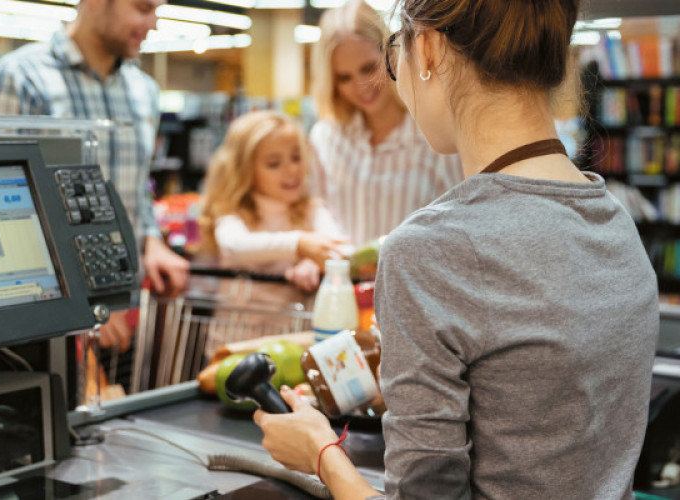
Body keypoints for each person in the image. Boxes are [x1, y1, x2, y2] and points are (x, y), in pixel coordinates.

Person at [254, 1, 659, 499]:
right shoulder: (616, 222)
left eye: (390, 55)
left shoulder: (428, 251)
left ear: (425, 48)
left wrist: (320, 452)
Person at [0, 0, 189, 351]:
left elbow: (136, 188)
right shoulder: (21, 78)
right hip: (44, 322)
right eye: (142, 7)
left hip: (124, 312)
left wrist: (152, 240)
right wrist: (84, 306)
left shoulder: (143, 90)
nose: (153, 24)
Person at [308, 0, 462, 247]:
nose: (361, 86)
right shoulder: (325, 137)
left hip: (413, 282)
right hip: (342, 282)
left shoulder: (435, 135)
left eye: (368, 68)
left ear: (392, 53)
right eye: (344, 78)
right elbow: (314, 205)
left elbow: (460, 220)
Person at [199, 110, 345, 356]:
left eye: (297, 157)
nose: (291, 171)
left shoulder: (311, 210)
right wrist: (300, 244)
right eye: (274, 164)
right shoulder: (234, 213)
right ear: (244, 170)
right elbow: (234, 245)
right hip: (233, 346)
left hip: (293, 348)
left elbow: (343, 249)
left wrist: (315, 261)